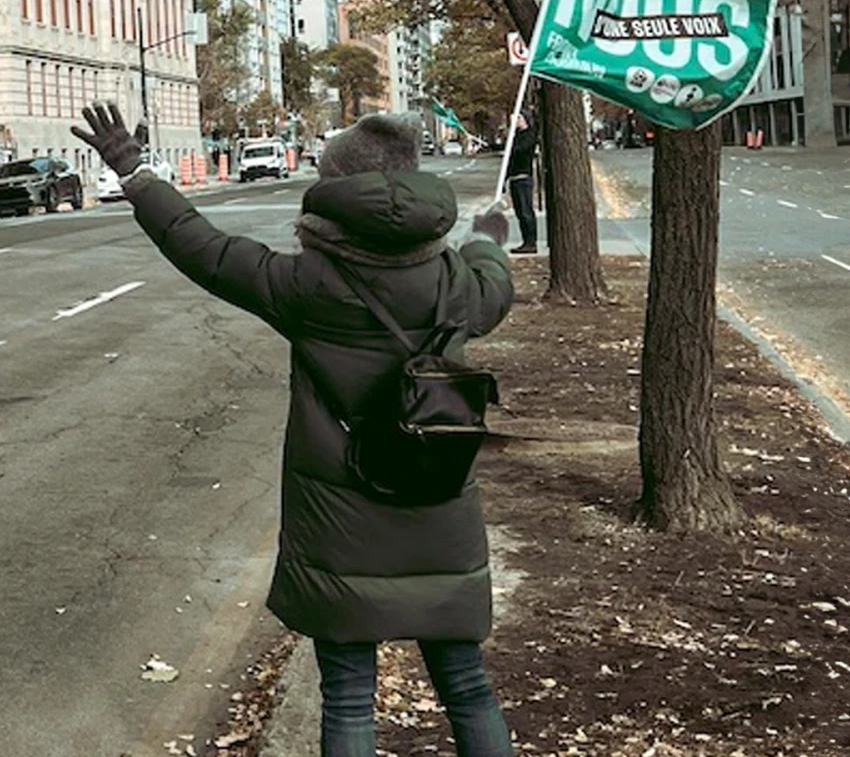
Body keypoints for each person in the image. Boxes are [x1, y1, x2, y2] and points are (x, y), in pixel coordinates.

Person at [73, 105, 517, 757]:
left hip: (341, 519)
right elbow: (494, 281)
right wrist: (488, 236)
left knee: (348, 698)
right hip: (439, 509)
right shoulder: (456, 281)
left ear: (335, 194)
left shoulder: (308, 285)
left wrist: (135, 174)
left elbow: (202, 248)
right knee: (469, 689)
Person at [505, 112, 538, 255]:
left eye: (518, 117)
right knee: (519, 212)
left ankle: (531, 242)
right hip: (514, 179)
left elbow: (520, 150)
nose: (514, 120)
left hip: (523, 178)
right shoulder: (516, 136)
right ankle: (526, 242)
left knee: (526, 212)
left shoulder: (529, 135)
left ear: (525, 119)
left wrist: (509, 148)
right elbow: (509, 160)